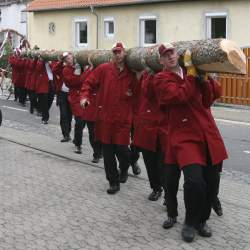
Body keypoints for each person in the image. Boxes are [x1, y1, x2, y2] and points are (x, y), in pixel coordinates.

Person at [153, 43, 228, 242]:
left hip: (207, 132)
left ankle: (202, 220)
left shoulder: (191, 71)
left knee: (212, 183)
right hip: (184, 136)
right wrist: (194, 76)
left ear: (178, 54)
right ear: (160, 60)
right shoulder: (160, 79)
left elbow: (210, 98)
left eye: (172, 52)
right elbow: (179, 96)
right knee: (194, 181)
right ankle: (189, 222)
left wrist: (205, 79)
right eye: (165, 55)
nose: (170, 56)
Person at [80, 42, 137, 194]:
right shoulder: (104, 69)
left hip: (123, 121)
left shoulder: (131, 74)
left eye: (120, 52)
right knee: (108, 154)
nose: (117, 55)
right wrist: (84, 97)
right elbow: (88, 82)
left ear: (125, 53)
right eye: (115, 52)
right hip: (106, 119)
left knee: (123, 151)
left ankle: (125, 168)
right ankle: (113, 182)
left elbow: (139, 95)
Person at [132, 70, 166, 201]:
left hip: (163, 125)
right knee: (150, 162)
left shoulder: (170, 73)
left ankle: (168, 193)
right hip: (147, 125)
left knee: (165, 165)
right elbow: (147, 91)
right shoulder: (147, 75)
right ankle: (156, 188)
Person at [51, 57, 72, 142]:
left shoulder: (75, 68)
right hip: (62, 94)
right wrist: (60, 61)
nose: (68, 61)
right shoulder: (61, 68)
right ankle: (65, 135)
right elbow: (54, 70)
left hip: (71, 94)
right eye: (67, 59)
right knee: (63, 115)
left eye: (70, 59)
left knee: (69, 115)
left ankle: (68, 132)